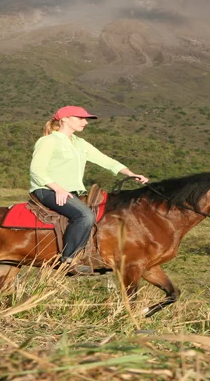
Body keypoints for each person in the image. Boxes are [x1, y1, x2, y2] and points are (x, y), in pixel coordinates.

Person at [30, 106, 148, 275]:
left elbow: (105, 160)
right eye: (80, 119)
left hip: (71, 192)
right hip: (47, 190)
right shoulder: (48, 141)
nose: (85, 122)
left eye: (85, 119)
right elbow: (37, 170)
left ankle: (95, 256)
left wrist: (130, 173)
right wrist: (59, 189)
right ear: (64, 119)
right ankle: (67, 262)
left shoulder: (79, 143)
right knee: (85, 215)